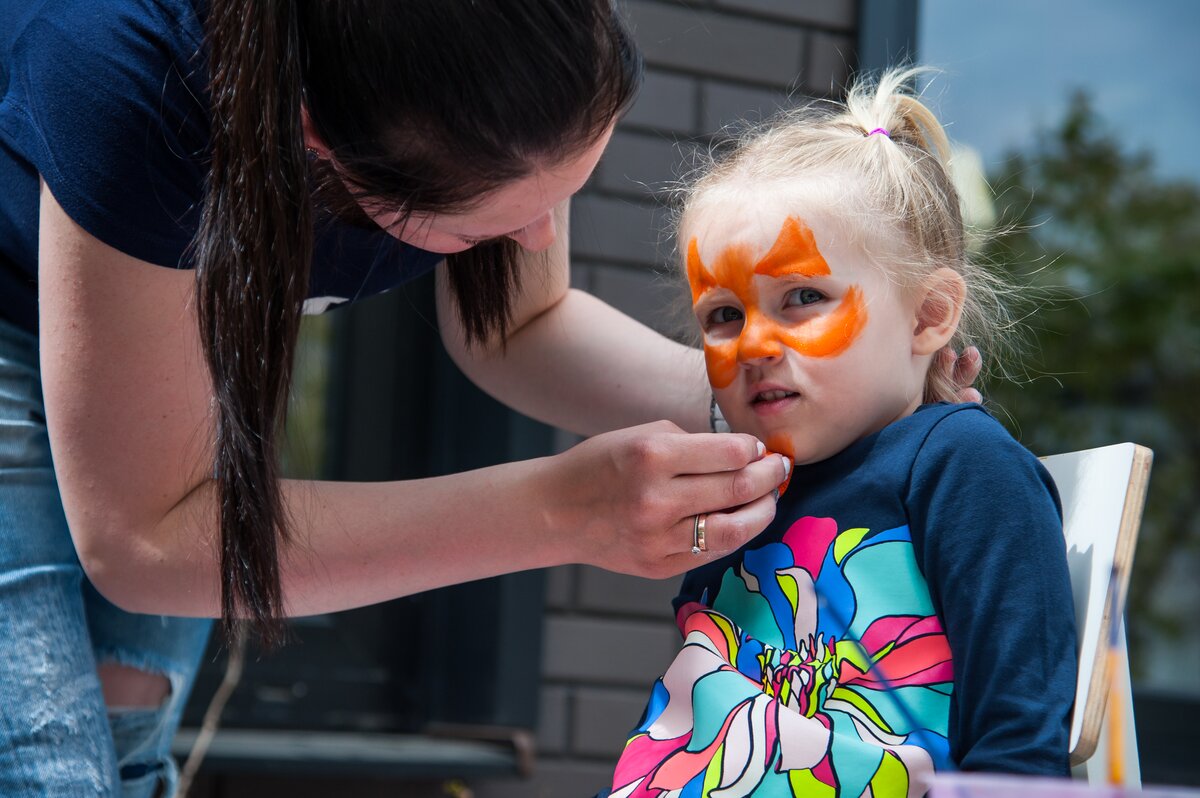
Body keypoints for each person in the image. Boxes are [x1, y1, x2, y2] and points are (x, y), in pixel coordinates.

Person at [0, 1, 982, 794]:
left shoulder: (511, 47)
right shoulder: (127, 65)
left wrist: (787, 401)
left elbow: (521, 324)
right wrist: (559, 511)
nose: (539, 236)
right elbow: (147, 539)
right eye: (483, 226)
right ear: (319, 142)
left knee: (125, 751)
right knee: (46, 771)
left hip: (169, 367)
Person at [606, 68, 1077, 798]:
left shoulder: (963, 466)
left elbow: (1019, 744)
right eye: (724, 315)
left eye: (802, 297)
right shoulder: (741, 493)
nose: (753, 344)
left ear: (928, 316)